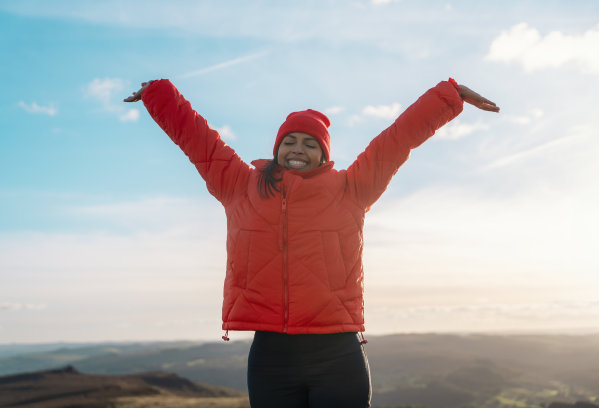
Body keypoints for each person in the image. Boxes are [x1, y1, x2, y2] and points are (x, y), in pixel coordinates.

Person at [124, 78, 499, 407]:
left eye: (309, 143)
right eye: (289, 141)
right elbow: (199, 141)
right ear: (277, 148)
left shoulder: (352, 189)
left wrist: (449, 97)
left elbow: (396, 141)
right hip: (272, 357)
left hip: (338, 354)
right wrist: (159, 94)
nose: (298, 149)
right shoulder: (239, 186)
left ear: (324, 154)